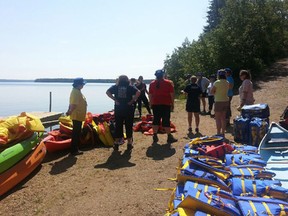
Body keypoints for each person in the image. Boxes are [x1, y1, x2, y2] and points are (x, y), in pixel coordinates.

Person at [106, 75, 140, 151]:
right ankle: (129, 143)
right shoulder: (130, 86)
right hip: (128, 108)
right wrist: (132, 101)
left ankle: (116, 143)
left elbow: (107, 92)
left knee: (118, 125)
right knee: (129, 125)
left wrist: (115, 99)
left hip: (119, 108)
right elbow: (138, 92)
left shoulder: (115, 86)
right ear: (127, 80)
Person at [149, 69, 177, 143]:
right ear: (163, 75)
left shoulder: (152, 84)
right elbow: (172, 95)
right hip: (166, 104)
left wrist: (151, 104)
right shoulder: (168, 83)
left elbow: (150, 95)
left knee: (156, 120)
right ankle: (169, 136)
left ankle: (155, 135)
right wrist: (172, 104)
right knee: (166, 120)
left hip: (155, 104)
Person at [66, 77, 87, 155]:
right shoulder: (75, 92)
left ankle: (75, 148)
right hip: (77, 115)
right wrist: (69, 112)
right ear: (78, 84)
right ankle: (74, 150)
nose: (83, 85)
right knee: (76, 132)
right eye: (82, 84)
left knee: (77, 132)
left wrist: (69, 110)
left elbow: (71, 103)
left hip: (79, 115)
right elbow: (73, 104)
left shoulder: (77, 91)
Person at [211, 70, 230, 137]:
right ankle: (223, 133)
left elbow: (212, 91)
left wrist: (215, 93)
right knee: (223, 118)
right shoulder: (227, 82)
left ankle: (218, 132)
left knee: (218, 118)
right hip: (226, 100)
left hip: (218, 101)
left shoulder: (217, 82)